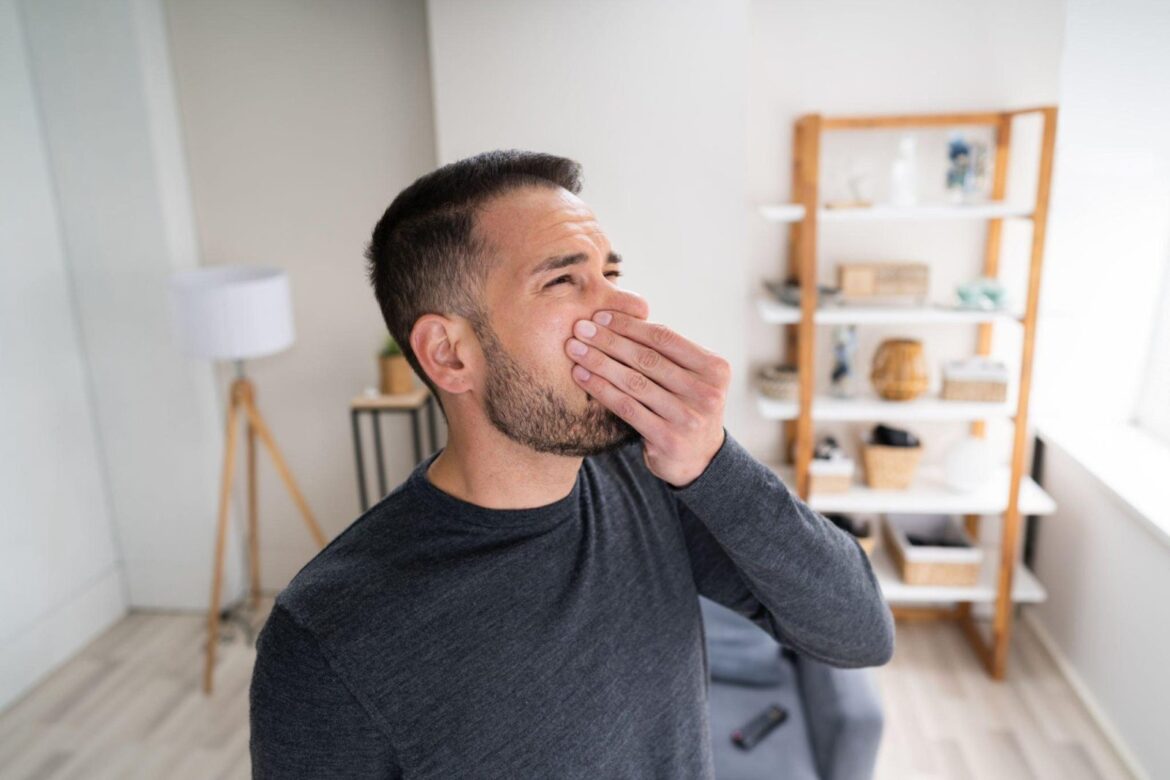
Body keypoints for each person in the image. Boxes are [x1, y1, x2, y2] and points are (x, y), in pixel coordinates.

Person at [249, 149, 894, 778]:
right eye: (563, 280)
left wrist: (714, 464)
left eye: (610, 273)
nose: (627, 307)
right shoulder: (327, 636)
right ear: (448, 354)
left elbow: (861, 633)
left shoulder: (649, 480)